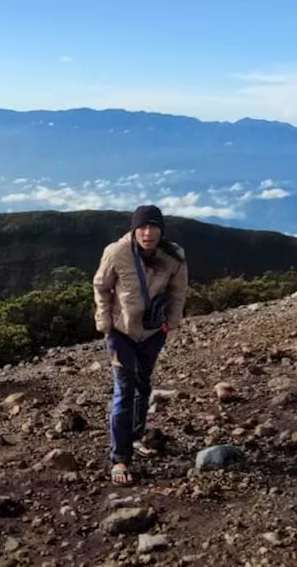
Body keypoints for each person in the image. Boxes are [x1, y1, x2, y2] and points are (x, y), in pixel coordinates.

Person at [93, 204, 189, 484]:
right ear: (134, 229)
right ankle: (120, 459)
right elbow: (101, 286)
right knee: (124, 388)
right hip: (121, 332)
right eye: (142, 227)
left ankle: (134, 436)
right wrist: (105, 322)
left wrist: (172, 324)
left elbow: (178, 291)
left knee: (143, 384)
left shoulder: (174, 256)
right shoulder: (117, 252)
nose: (148, 233)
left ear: (161, 230)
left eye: (153, 227)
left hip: (152, 332)